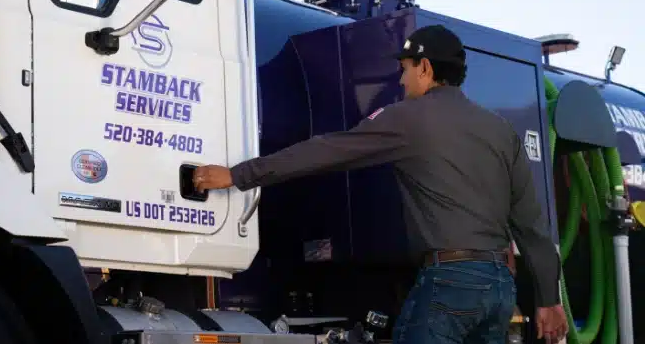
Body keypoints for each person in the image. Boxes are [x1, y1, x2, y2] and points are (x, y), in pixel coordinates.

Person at [193, 24, 568, 344]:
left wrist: (238, 175)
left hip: (450, 283)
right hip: (500, 289)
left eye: (405, 70)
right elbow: (532, 226)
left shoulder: (410, 118)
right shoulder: (500, 130)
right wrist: (549, 299)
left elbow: (326, 150)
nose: (402, 81)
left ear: (425, 67)